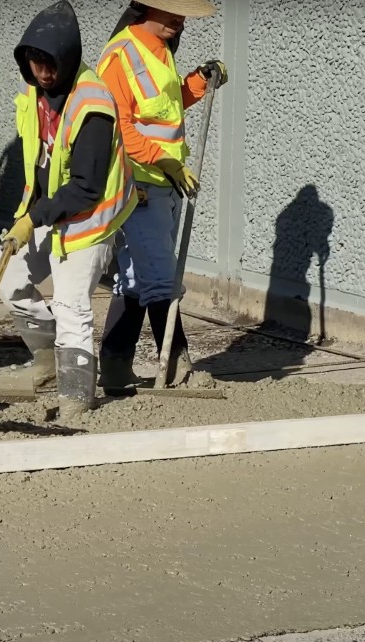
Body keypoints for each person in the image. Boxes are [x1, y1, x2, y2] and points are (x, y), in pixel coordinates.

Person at [0, 0, 137, 417]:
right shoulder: (35, 92)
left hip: (89, 220)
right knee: (9, 282)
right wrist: (30, 214)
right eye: (34, 63)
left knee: (72, 304)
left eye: (49, 63)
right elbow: (41, 158)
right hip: (49, 212)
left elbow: (86, 188)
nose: (42, 73)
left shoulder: (92, 103)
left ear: (68, 58)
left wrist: (33, 219)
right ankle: (47, 358)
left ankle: (77, 398)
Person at [94, 0, 227, 389]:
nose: (179, 19)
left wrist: (199, 81)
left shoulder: (161, 51)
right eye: (171, 11)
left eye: (183, 13)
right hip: (138, 182)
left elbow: (165, 109)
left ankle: (115, 363)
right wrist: (161, 160)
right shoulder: (121, 55)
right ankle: (177, 363)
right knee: (160, 276)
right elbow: (117, 123)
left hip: (165, 181)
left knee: (137, 276)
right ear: (144, 8)